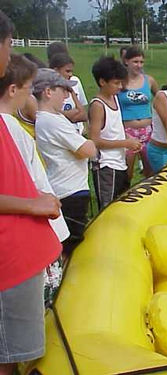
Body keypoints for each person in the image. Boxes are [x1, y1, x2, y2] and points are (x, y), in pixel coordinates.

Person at [0, 11, 62, 375]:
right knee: (7, 357)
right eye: (8, 45)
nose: (9, 56)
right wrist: (34, 205)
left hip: (19, 260)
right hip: (9, 264)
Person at [0, 55, 70, 306]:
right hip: (32, 234)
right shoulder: (9, 127)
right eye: (30, 89)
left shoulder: (11, 126)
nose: (32, 98)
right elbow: (28, 183)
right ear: (13, 90)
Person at [34, 68, 97, 256]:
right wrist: (91, 142)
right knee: (74, 248)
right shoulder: (53, 121)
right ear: (48, 92)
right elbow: (87, 150)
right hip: (70, 191)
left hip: (69, 188)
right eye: (63, 90)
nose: (67, 95)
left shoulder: (53, 118)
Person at [88, 57, 141, 210]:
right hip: (106, 165)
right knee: (107, 208)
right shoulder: (98, 105)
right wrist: (125, 143)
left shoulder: (114, 98)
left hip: (119, 162)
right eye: (116, 83)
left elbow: (114, 128)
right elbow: (95, 140)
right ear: (102, 82)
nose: (120, 87)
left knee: (120, 205)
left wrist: (128, 138)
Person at [117, 46, 159, 180]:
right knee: (127, 172)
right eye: (135, 62)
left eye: (141, 62)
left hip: (148, 130)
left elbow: (160, 99)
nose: (139, 65)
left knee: (150, 172)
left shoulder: (149, 81)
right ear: (126, 62)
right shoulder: (119, 83)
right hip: (127, 131)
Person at [46, 42, 88, 133]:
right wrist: (67, 115)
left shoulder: (75, 82)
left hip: (76, 133)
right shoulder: (45, 87)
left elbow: (83, 115)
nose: (70, 74)